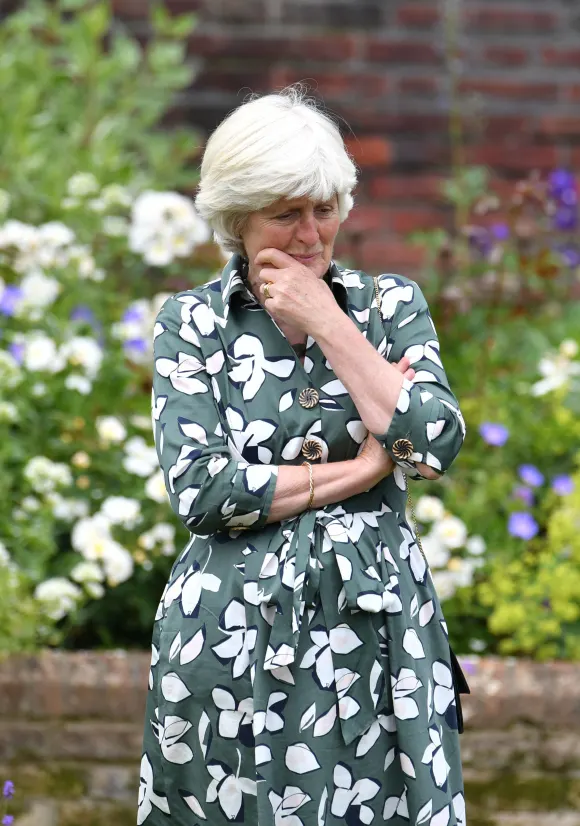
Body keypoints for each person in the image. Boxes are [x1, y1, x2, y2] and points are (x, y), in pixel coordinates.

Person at [138, 87, 468, 826]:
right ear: (238, 218)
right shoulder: (191, 322)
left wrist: (328, 321)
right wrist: (361, 470)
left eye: (323, 207)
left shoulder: (389, 307)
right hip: (230, 635)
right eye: (285, 214)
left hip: (378, 630)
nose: (311, 232)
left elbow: (436, 442)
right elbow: (205, 491)